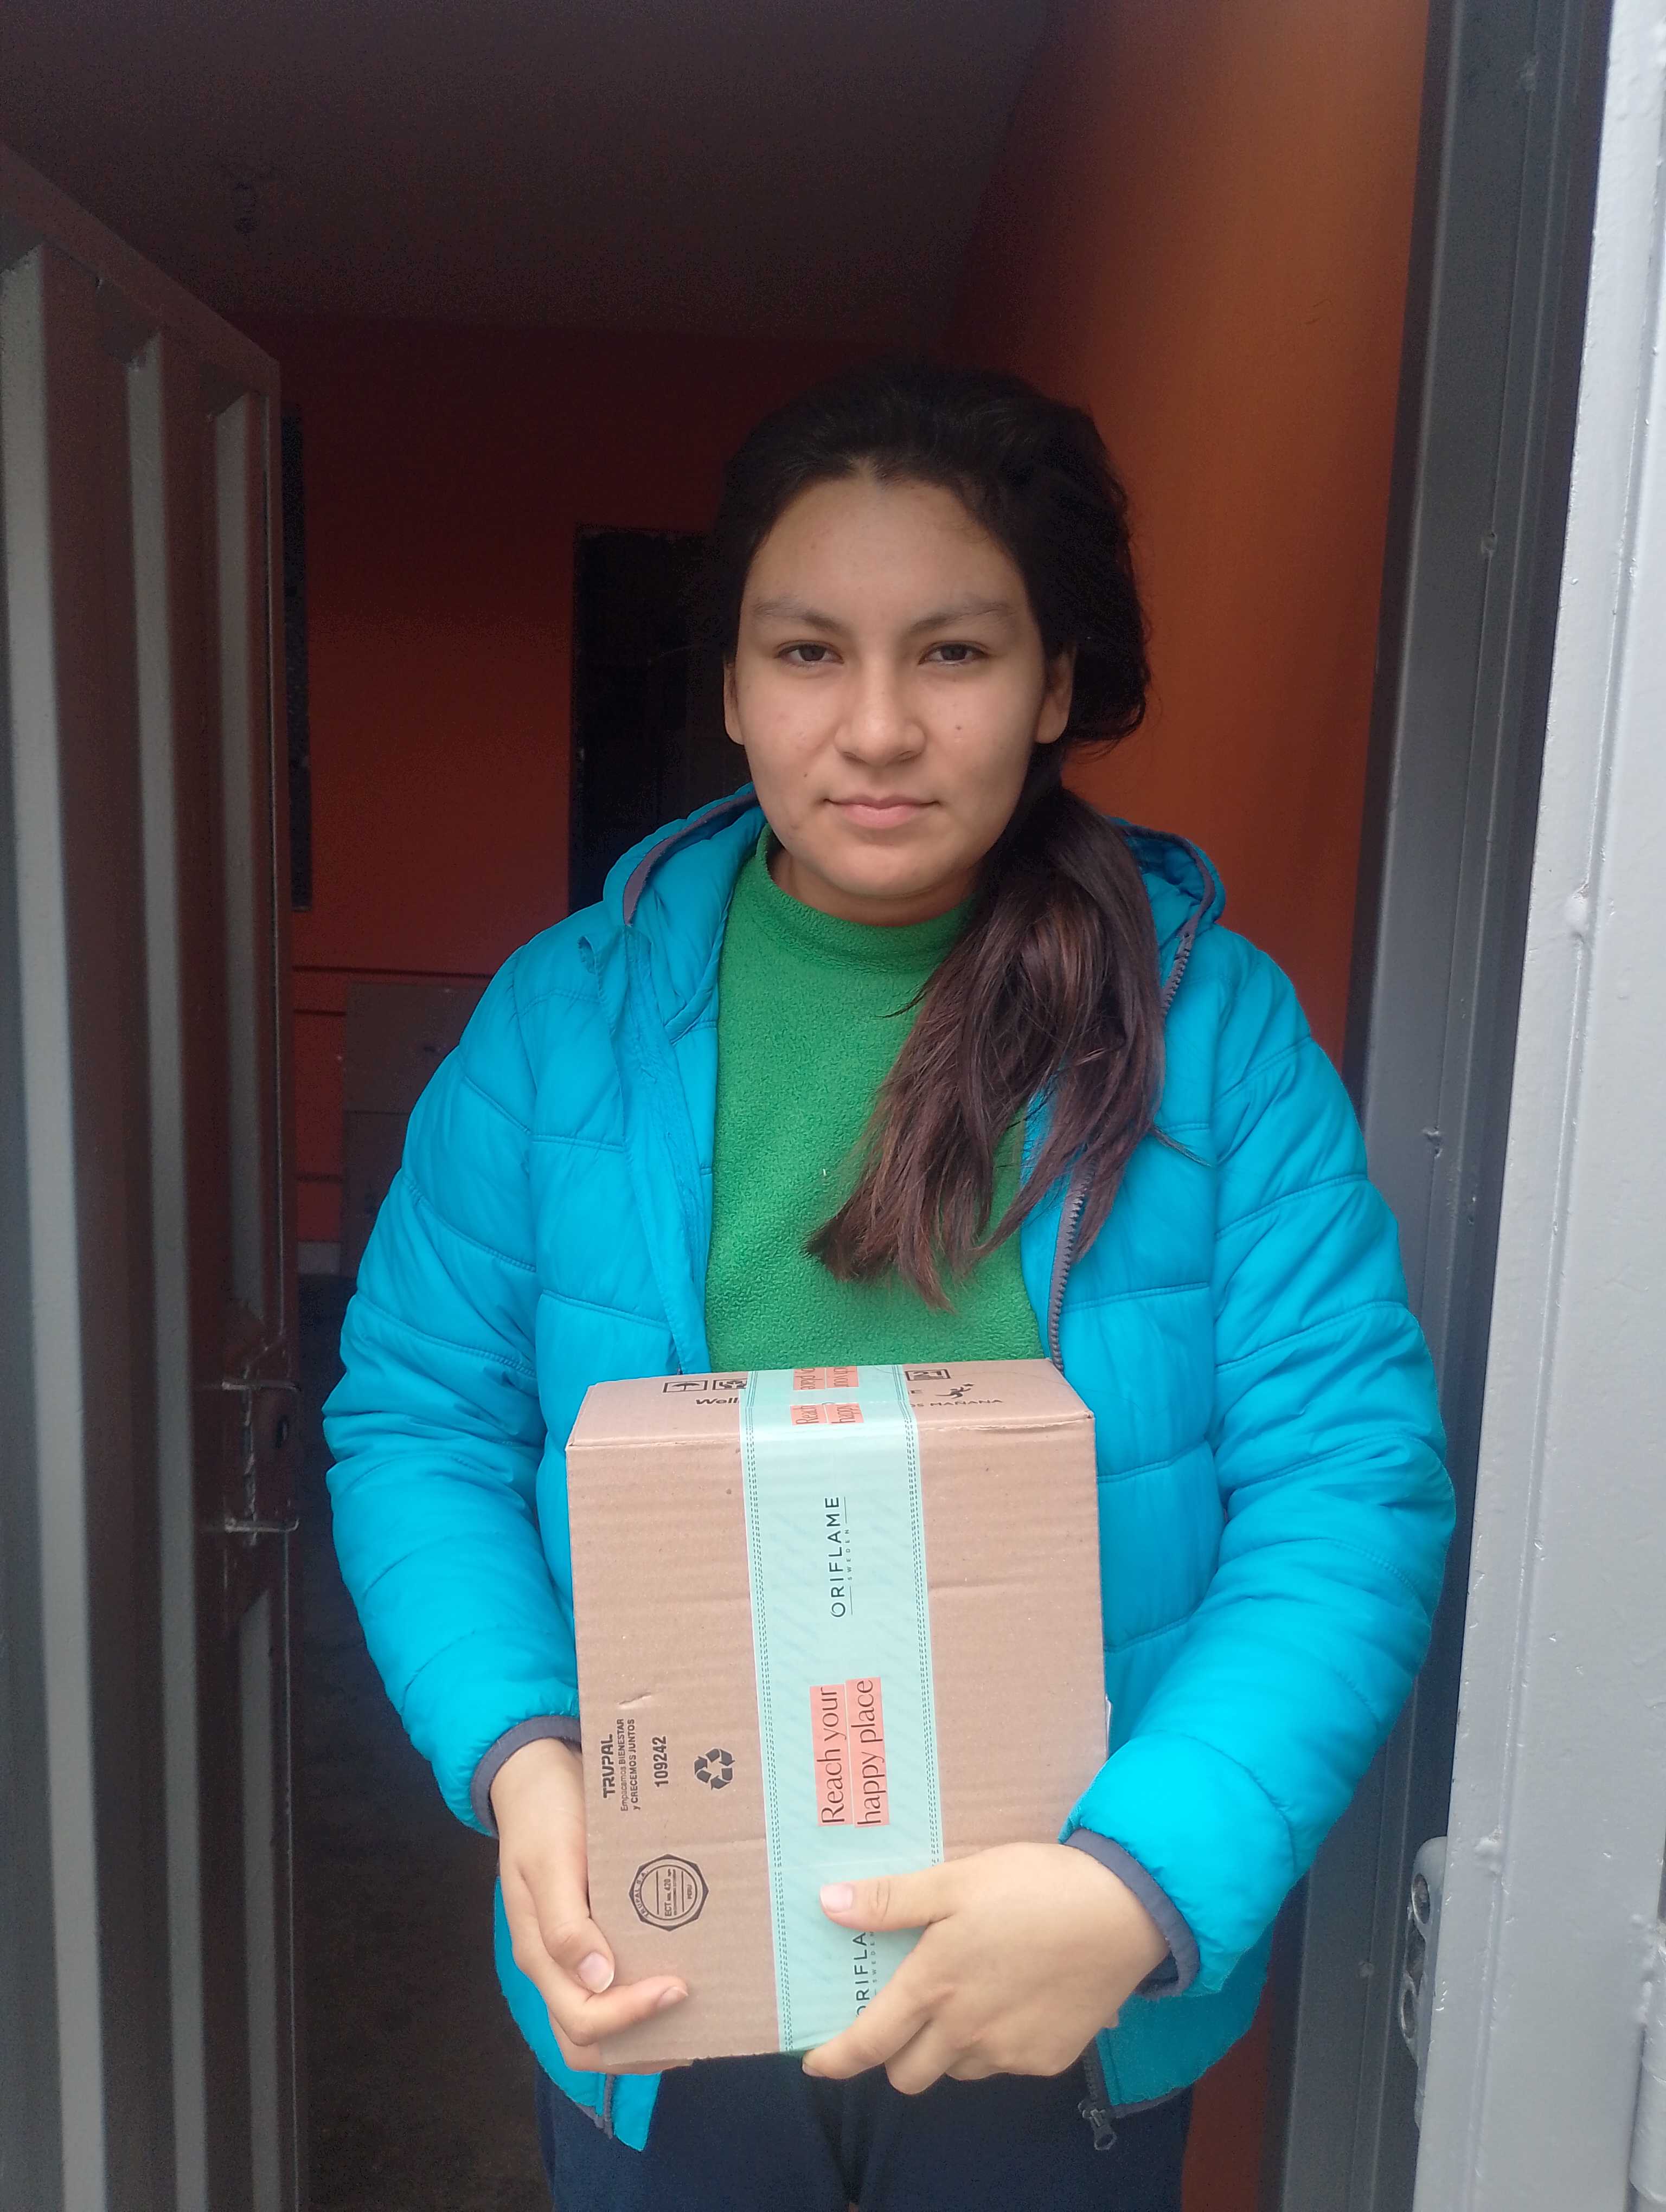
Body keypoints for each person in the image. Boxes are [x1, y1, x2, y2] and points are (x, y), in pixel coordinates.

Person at [323, 361, 1453, 2211]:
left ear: (1056, 684)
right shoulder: (561, 1026)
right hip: (659, 1969)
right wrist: (524, 1758)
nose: (876, 728)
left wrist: (1138, 1885)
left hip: (1053, 1997)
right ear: (730, 686)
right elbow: (420, 1425)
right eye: (806, 652)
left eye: (953, 653)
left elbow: (1347, 1487)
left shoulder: (1212, 1035)